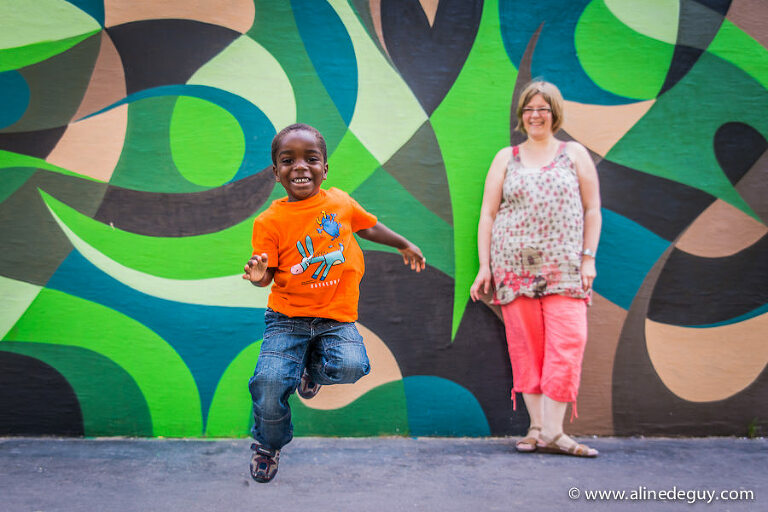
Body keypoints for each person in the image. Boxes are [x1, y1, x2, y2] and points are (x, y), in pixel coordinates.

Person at [242, 123, 426, 482]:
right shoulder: (269, 221)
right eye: (288, 160)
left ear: (324, 169)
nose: (300, 166)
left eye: (311, 159)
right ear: (275, 171)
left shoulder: (340, 203)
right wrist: (258, 275)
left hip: (335, 318)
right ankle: (269, 443)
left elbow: (367, 226)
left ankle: (311, 371)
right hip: (287, 318)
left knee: (352, 367)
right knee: (268, 382)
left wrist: (403, 243)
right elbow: (266, 274)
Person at [469, 81, 602, 457]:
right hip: (513, 266)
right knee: (526, 347)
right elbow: (488, 213)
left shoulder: (573, 154)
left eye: (543, 108)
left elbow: (593, 209)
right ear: (521, 115)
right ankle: (539, 428)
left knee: (567, 342)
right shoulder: (505, 157)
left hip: (565, 268)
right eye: (529, 108)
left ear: (554, 113)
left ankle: (555, 432)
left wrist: (588, 257)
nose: (535, 115)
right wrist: (485, 265)